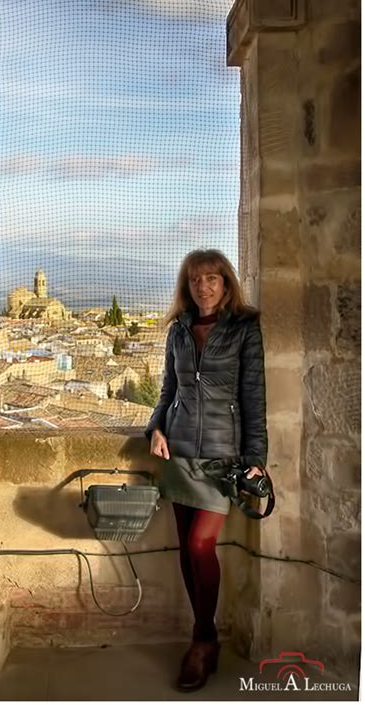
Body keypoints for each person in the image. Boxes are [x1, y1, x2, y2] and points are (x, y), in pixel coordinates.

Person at [145, 248, 268, 692]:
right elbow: (167, 391)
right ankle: (204, 639)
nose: (204, 286)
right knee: (185, 547)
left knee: (201, 545)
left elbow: (254, 398)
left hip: (223, 459)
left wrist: (256, 460)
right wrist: (154, 429)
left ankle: (203, 638)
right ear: (187, 285)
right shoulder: (177, 331)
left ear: (226, 283)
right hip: (178, 452)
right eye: (196, 279)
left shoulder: (244, 329)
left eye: (212, 278)